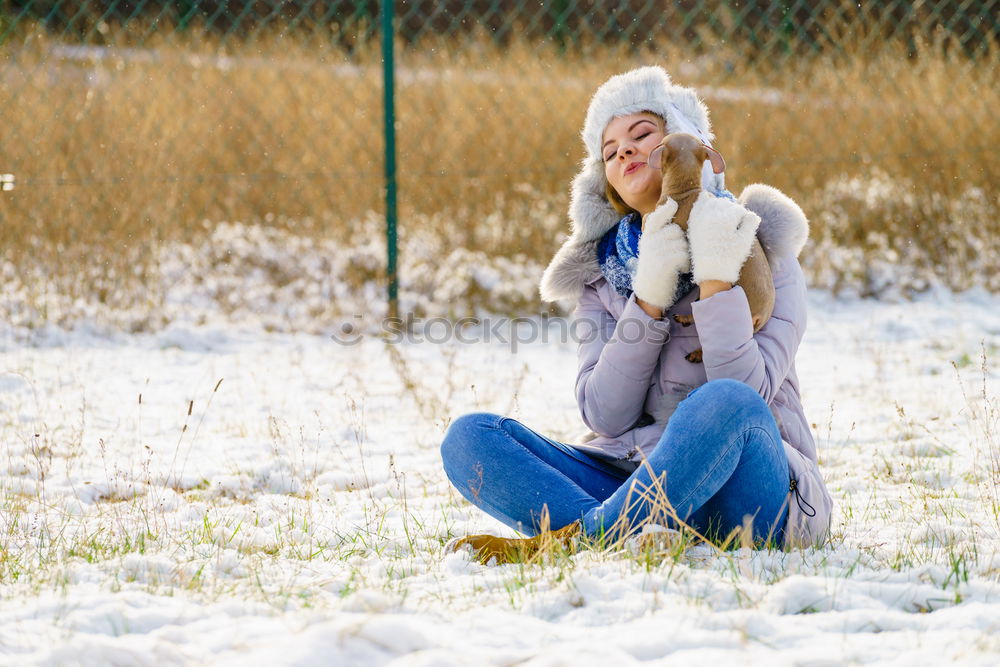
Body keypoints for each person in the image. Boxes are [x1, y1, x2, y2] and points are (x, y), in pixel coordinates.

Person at [440, 66, 832, 563]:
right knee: (470, 439)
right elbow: (605, 414)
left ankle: (582, 542)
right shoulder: (600, 275)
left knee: (725, 401)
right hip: (627, 474)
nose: (623, 150)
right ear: (607, 186)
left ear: (688, 146)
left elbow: (749, 395)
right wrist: (648, 299)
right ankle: (640, 533)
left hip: (752, 490)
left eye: (642, 134)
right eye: (609, 151)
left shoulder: (762, 249)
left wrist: (714, 275)